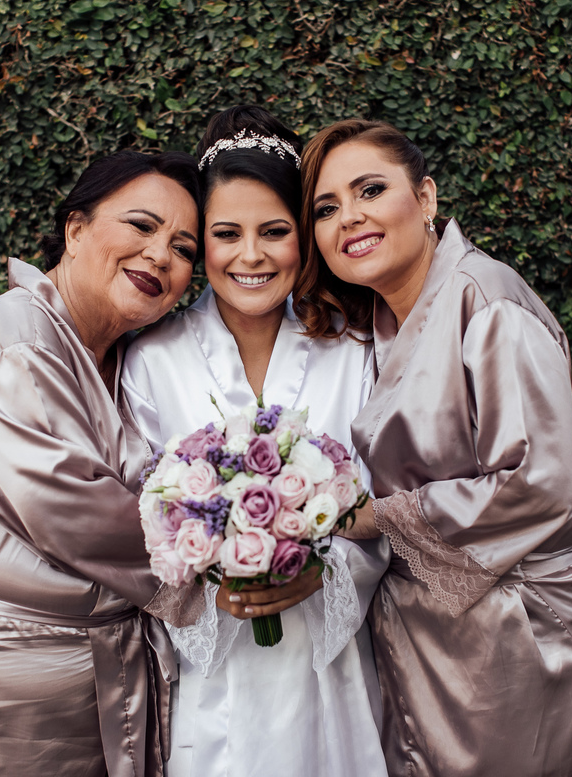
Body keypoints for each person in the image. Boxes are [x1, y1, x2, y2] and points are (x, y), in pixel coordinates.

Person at [296, 119, 572, 777]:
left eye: (371, 190)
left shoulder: (488, 301)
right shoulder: (374, 326)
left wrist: (378, 517)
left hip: (525, 636)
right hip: (426, 647)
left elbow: (540, 481)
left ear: (425, 197)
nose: (350, 217)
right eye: (326, 208)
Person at [0, 150, 208, 777]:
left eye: (184, 248)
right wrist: (236, 553)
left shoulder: (127, 360)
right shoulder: (16, 341)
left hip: (87, 682)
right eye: (141, 226)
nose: (160, 255)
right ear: (75, 229)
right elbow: (78, 515)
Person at [122, 106, 388, 777]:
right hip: (213, 684)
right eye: (226, 234)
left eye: (274, 231)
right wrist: (211, 573)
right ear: (201, 242)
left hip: (332, 673)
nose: (250, 256)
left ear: (303, 235)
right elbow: (136, 523)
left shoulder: (354, 350)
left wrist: (321, 567)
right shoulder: (152, 360)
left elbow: (386, 510)